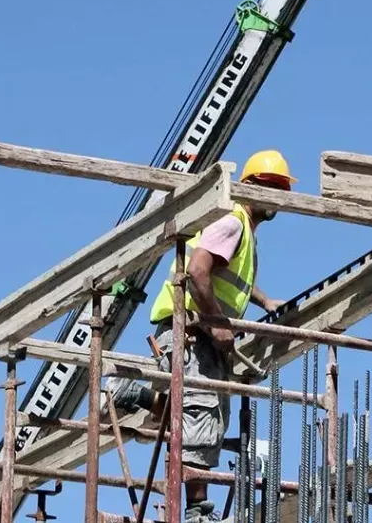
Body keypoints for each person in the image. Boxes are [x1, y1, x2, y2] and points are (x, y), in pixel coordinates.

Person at [104, 150, 294, 523]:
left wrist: (264, 299)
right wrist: (217, 322)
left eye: (283, 190)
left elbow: (228, 278)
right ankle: (196, 513)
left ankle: (137, 392)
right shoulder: (234, 220)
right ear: (251, 188)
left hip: (192, 334)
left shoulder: (241, 228)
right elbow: (197, 271)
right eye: (274, 188)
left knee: (190, 412)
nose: (280, 198)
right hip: (193, 332)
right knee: (200, 415)